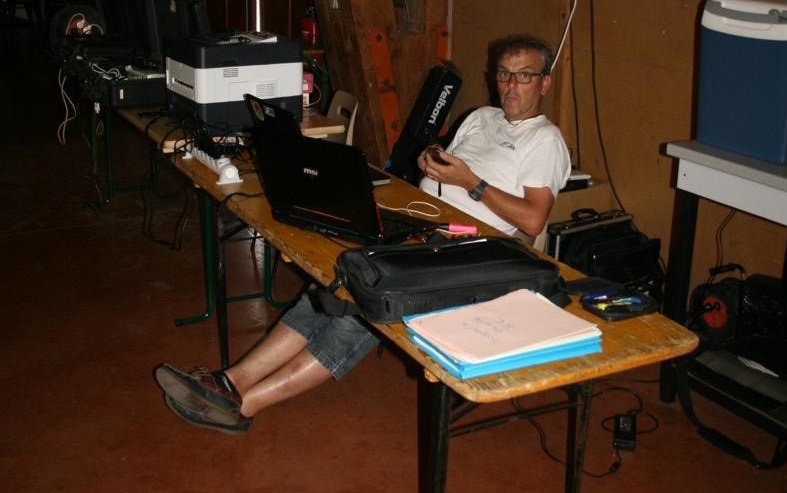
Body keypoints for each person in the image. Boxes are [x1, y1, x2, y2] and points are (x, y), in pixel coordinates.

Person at [155, 33, 571, 435]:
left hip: (469, 254)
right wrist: (433, 163)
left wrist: (470, 183)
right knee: (332, 282)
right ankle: (229, 382)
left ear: (544, 83)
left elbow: (533, 220)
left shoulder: (545, 140)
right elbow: (453, 166)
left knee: (362, 307)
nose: (511, 84)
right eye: (504, 74)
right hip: (424, 229)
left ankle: (243, 406)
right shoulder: (481, 118)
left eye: (524, 75)